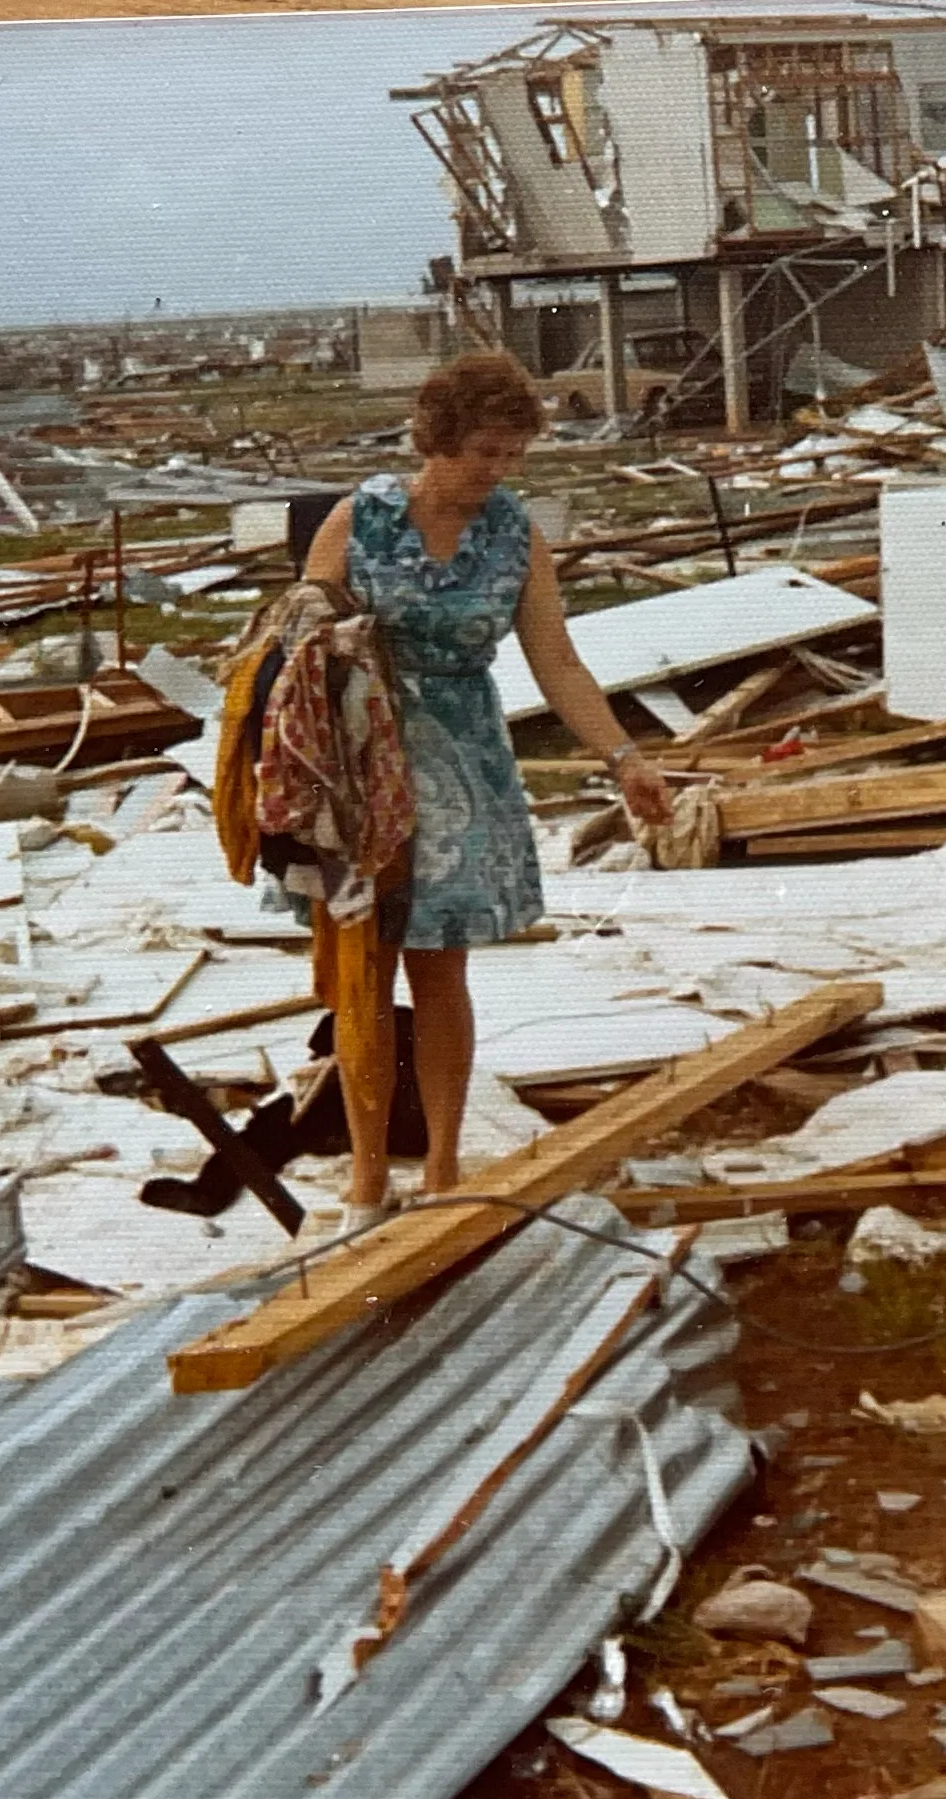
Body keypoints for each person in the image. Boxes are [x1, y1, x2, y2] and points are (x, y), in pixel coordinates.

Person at [298, 351, 672, 1230]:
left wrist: (625, 757)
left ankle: (438, 1167)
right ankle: (363, 1181)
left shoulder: (514, 535)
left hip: (465, 764)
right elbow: (299, 652)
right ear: (437, 441)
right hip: (365, 766)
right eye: (485, 453)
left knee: (441, 971)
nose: (499, 473)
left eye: (514, 455)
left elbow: (558, 662)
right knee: (363, 976)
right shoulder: (358, 522)